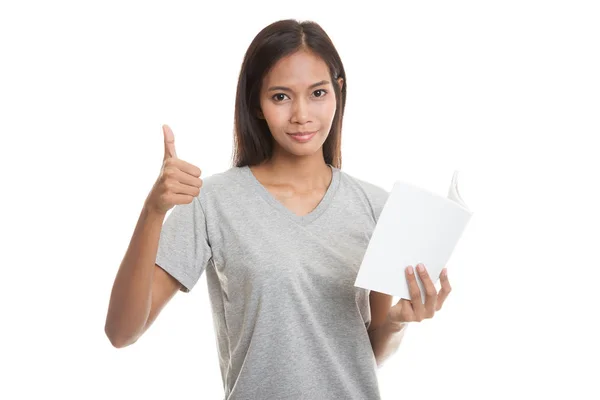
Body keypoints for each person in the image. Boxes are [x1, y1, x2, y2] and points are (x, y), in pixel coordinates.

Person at [105, 18, 451, 400]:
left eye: (317, 93)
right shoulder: (214, 202)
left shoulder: (374, 206)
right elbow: (121, 332)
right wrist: (153, 211)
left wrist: (398, 324)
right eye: (281, 96)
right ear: (257, 103)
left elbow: (368, 354)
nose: (302, 114)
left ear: (338, 91)